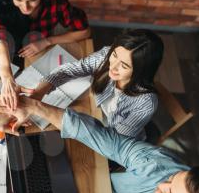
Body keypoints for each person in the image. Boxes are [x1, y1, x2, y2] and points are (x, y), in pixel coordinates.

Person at [0, 96, 199, 193]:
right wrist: (37, 107)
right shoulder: (159, 167)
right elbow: (110, 141)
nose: (162, 184)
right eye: (173, 179)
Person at [32, 29, 164, 140]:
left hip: (116, 141)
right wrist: (39, 92)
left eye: (124, 65)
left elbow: (115, 141)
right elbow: (72, 69)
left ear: (142, 70)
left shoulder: (146, 103)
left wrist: (43, 110)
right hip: (98, 117)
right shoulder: (107, 56)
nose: (113, 66)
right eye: (115, 55)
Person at [0, 0, 90, 110]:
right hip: (8, 50)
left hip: (40, 47)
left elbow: (85, 32)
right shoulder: (0, 3)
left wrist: (47, 41)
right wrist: (7, 79)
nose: (26, 7)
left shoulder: (55, 0)